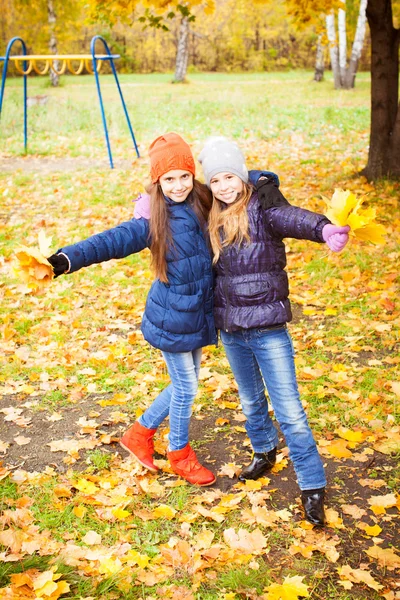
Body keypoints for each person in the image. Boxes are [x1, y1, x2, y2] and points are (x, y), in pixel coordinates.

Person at [47, 133, 217, 487]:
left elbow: (233, 182)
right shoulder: (152, 219)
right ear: (157, 181)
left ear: (193, 174)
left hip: (199, 312)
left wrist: (260, 179)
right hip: (172, 317)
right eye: (168, 179)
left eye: (184, 175)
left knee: (186, 383)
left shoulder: (203, 200)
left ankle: (139, 434)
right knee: (186, 387)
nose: (178, 185)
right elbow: (110, 240)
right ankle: (179, 454)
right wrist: (66, 259)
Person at [197, 136, 350, 526]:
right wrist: (150, 210)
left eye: (230, 176)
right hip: (232, 329)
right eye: (216, 181)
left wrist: (324, 229)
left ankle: (312, 485)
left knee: (290, 411)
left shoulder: (264, 206)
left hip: (268, 330)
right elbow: (174, 217)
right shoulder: (208, 216)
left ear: (243, 175)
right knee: (250, 402)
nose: (225, 186)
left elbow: (293, 218)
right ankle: (264, 451)